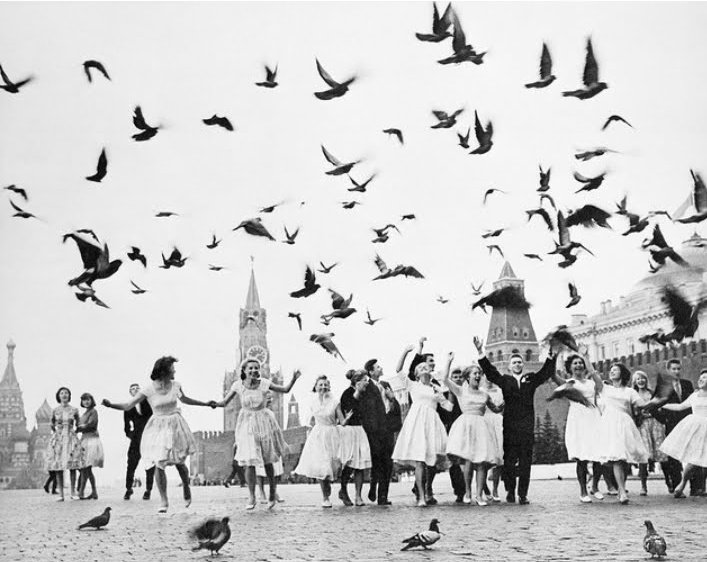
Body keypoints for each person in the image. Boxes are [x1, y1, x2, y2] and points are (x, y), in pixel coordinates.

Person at [103, 356, 214, 513]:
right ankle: (164, 500)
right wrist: (110, 405)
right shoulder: (148, 389)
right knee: (159, 461)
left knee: (179, 461)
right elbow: (129, 405)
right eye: (172, 368)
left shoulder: (176, 386)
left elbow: (186, 400)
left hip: (175, 425)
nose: (174, 371)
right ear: (163, 371)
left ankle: (186, 487)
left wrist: (205, 404)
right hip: (157, 427)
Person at [473, 336, 557, 505]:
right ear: (510, 366)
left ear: (522, 365)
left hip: (526, 426)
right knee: (509, 461)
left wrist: (551, 356)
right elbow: (491, 373)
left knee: (526, 462)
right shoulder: (505, 380)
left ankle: (523, 494)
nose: (518, 364)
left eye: (519, 362)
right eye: (514, 362)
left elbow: (545, 373)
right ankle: (510, 491)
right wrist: (480, 352)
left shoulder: (530, 379)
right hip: (510, 426)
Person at [216, 358, 300, 510]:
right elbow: (224, 403)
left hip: (263, 422)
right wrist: (212, 404)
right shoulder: (238, 385)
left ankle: (272, 492)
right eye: (251, 368)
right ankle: (252, 495)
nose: (254, 371)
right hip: (246, 423)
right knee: (249, 460)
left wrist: (293, 379)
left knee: (267, 460)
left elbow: (285, 389)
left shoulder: (265, 383)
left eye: (257, 368)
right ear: (244, 371)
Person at [391, 345, 452, 507]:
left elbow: (448, 407)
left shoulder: (434, 388)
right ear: (417, 373)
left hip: (432, 423)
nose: (425, 369)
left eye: (427, 367)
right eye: (422, 367)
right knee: (419, 460)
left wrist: (446, 393)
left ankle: (427, 490)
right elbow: (398, 370)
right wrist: (405, 352)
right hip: (417, 422)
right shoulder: (412, 385)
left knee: (431, 461)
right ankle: (421, 496)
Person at [442, 354, 502, 506]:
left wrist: (503, 404)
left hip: (481, 427)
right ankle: (468, 492)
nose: (477, 376)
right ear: (467, 377)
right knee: (468, 460)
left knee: (481, 462)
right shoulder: (461, 390)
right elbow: (444, 380)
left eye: (479, 374)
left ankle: (479, 495)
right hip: (466, 426)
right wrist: (449, 362)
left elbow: (494, 409)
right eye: (474, 373)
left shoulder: (484, 394)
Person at [551, 353, 604, 503]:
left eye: (581, 363)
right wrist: (553, 358)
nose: (578, 365)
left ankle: (595, 486)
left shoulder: (590, 383)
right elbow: (554, 377)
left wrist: (587, 359)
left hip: (593, 417)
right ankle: (583, 491)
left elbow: (600, 387)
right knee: (581, 458)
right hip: (578, 420)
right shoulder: (569, 383)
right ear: (570, 367)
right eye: (575, 363)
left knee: (598, 456)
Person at [593, 363, 649, 505]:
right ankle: (622, 491)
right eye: (610, 370)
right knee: (617, 458)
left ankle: (620, 488)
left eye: (615, 370)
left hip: (625, 424)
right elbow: (593, 373)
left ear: (622, 373)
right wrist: (584, 356)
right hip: (609, 424)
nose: (612, 372)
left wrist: (659, 402)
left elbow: (642, 404)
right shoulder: (605, 388)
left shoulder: (629, 391)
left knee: (624, 461)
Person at [293, 375, 345, 507]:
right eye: (320, 385)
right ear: (315, 387)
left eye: (325, 385)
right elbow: (309, 420)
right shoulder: (312, 402)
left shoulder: (335, 402)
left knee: (333, 466)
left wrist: (347, 419)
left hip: (332, 434)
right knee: (321, 465)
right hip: (318, 435)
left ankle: (330, 486)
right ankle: (325, 496)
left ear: (329, 386)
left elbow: (342, 420)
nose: (323, 387)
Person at [659, 370, 707, 498]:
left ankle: (700, 487)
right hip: (697, 429)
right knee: (694, 460)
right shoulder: (695, 395)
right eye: (700, 377)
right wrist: (663, 405)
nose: (701, 380)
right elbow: (681, 406)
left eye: (705, 378)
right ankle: (682, 484)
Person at [362, 358, 402, 505]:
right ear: (371, 371)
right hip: (374, 429)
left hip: (387, 427)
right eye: (378, 367)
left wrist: (392, 399)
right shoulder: (367, 386)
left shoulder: (385, 385)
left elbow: (394, 404)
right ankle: (373, 486)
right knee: (377, 460)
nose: (381, 368)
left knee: (387, 462)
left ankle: (383, 496)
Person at [338, 370, 373, 506]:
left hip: (360, 430)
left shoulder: (365, 394)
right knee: (349, 462)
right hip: (349, 431)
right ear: (357, 382)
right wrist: (357, 394)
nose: (367, 383)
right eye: (365, 380)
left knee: (360, 465)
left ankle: (358, 496)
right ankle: (343, 490)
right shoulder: (347, 394)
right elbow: (350, 411)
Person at [632, 370, 668, 495]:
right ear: (635, 382)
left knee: (661, 453)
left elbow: (660, 405)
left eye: (643, 378)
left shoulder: (652, 393)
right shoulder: (633, 394)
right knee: (644, 455)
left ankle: (669, 481)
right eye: (638, 379)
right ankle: (643, 485)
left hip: (656, 424)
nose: (641, 381)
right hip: (642, 425)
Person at [47, 386, 82, 501]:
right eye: (62, 393)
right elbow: (52, 424)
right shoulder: (55, 410)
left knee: (72, 466)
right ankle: (61, 494)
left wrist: (74, 433)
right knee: (59, 467)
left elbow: (79, 423)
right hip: (59, 438)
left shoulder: (74, 410)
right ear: (59, 396)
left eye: (66, 393)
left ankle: (72, 492)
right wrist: (57, 433)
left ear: (69, 396)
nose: (64, 395)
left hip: (71, 438)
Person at [123, 383, 155, 500]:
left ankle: (148, 490)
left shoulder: (149, 403)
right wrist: (131, 435)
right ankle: (128, 489)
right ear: (130, 393)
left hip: (148, 438)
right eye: (132, 389)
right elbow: (126, 427)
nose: (135, 390)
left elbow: (154, 418)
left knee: (150, 464)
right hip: (136, 439)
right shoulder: (128, 407)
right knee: (131, 464)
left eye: (137, 388)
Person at [77, 393, 103, 500]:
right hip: (84, 440)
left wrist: (80, 428)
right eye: (84, 400)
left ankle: (84, 492)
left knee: (86, 467)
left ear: (91, 400)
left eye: (88, 399)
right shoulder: (85, 413)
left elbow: (92, 424)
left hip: (91, 440)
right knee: (85, 468)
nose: (86, 402)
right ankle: (91, 492)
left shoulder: (93, 411)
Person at [483, 372, 505, 502]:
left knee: (498, 458)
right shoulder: (480, 391)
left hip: (498, 423)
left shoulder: (500, 391)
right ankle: (484, 487)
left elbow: (502, 407)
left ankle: (495, 489)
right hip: (484, 422)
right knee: (484, 458)